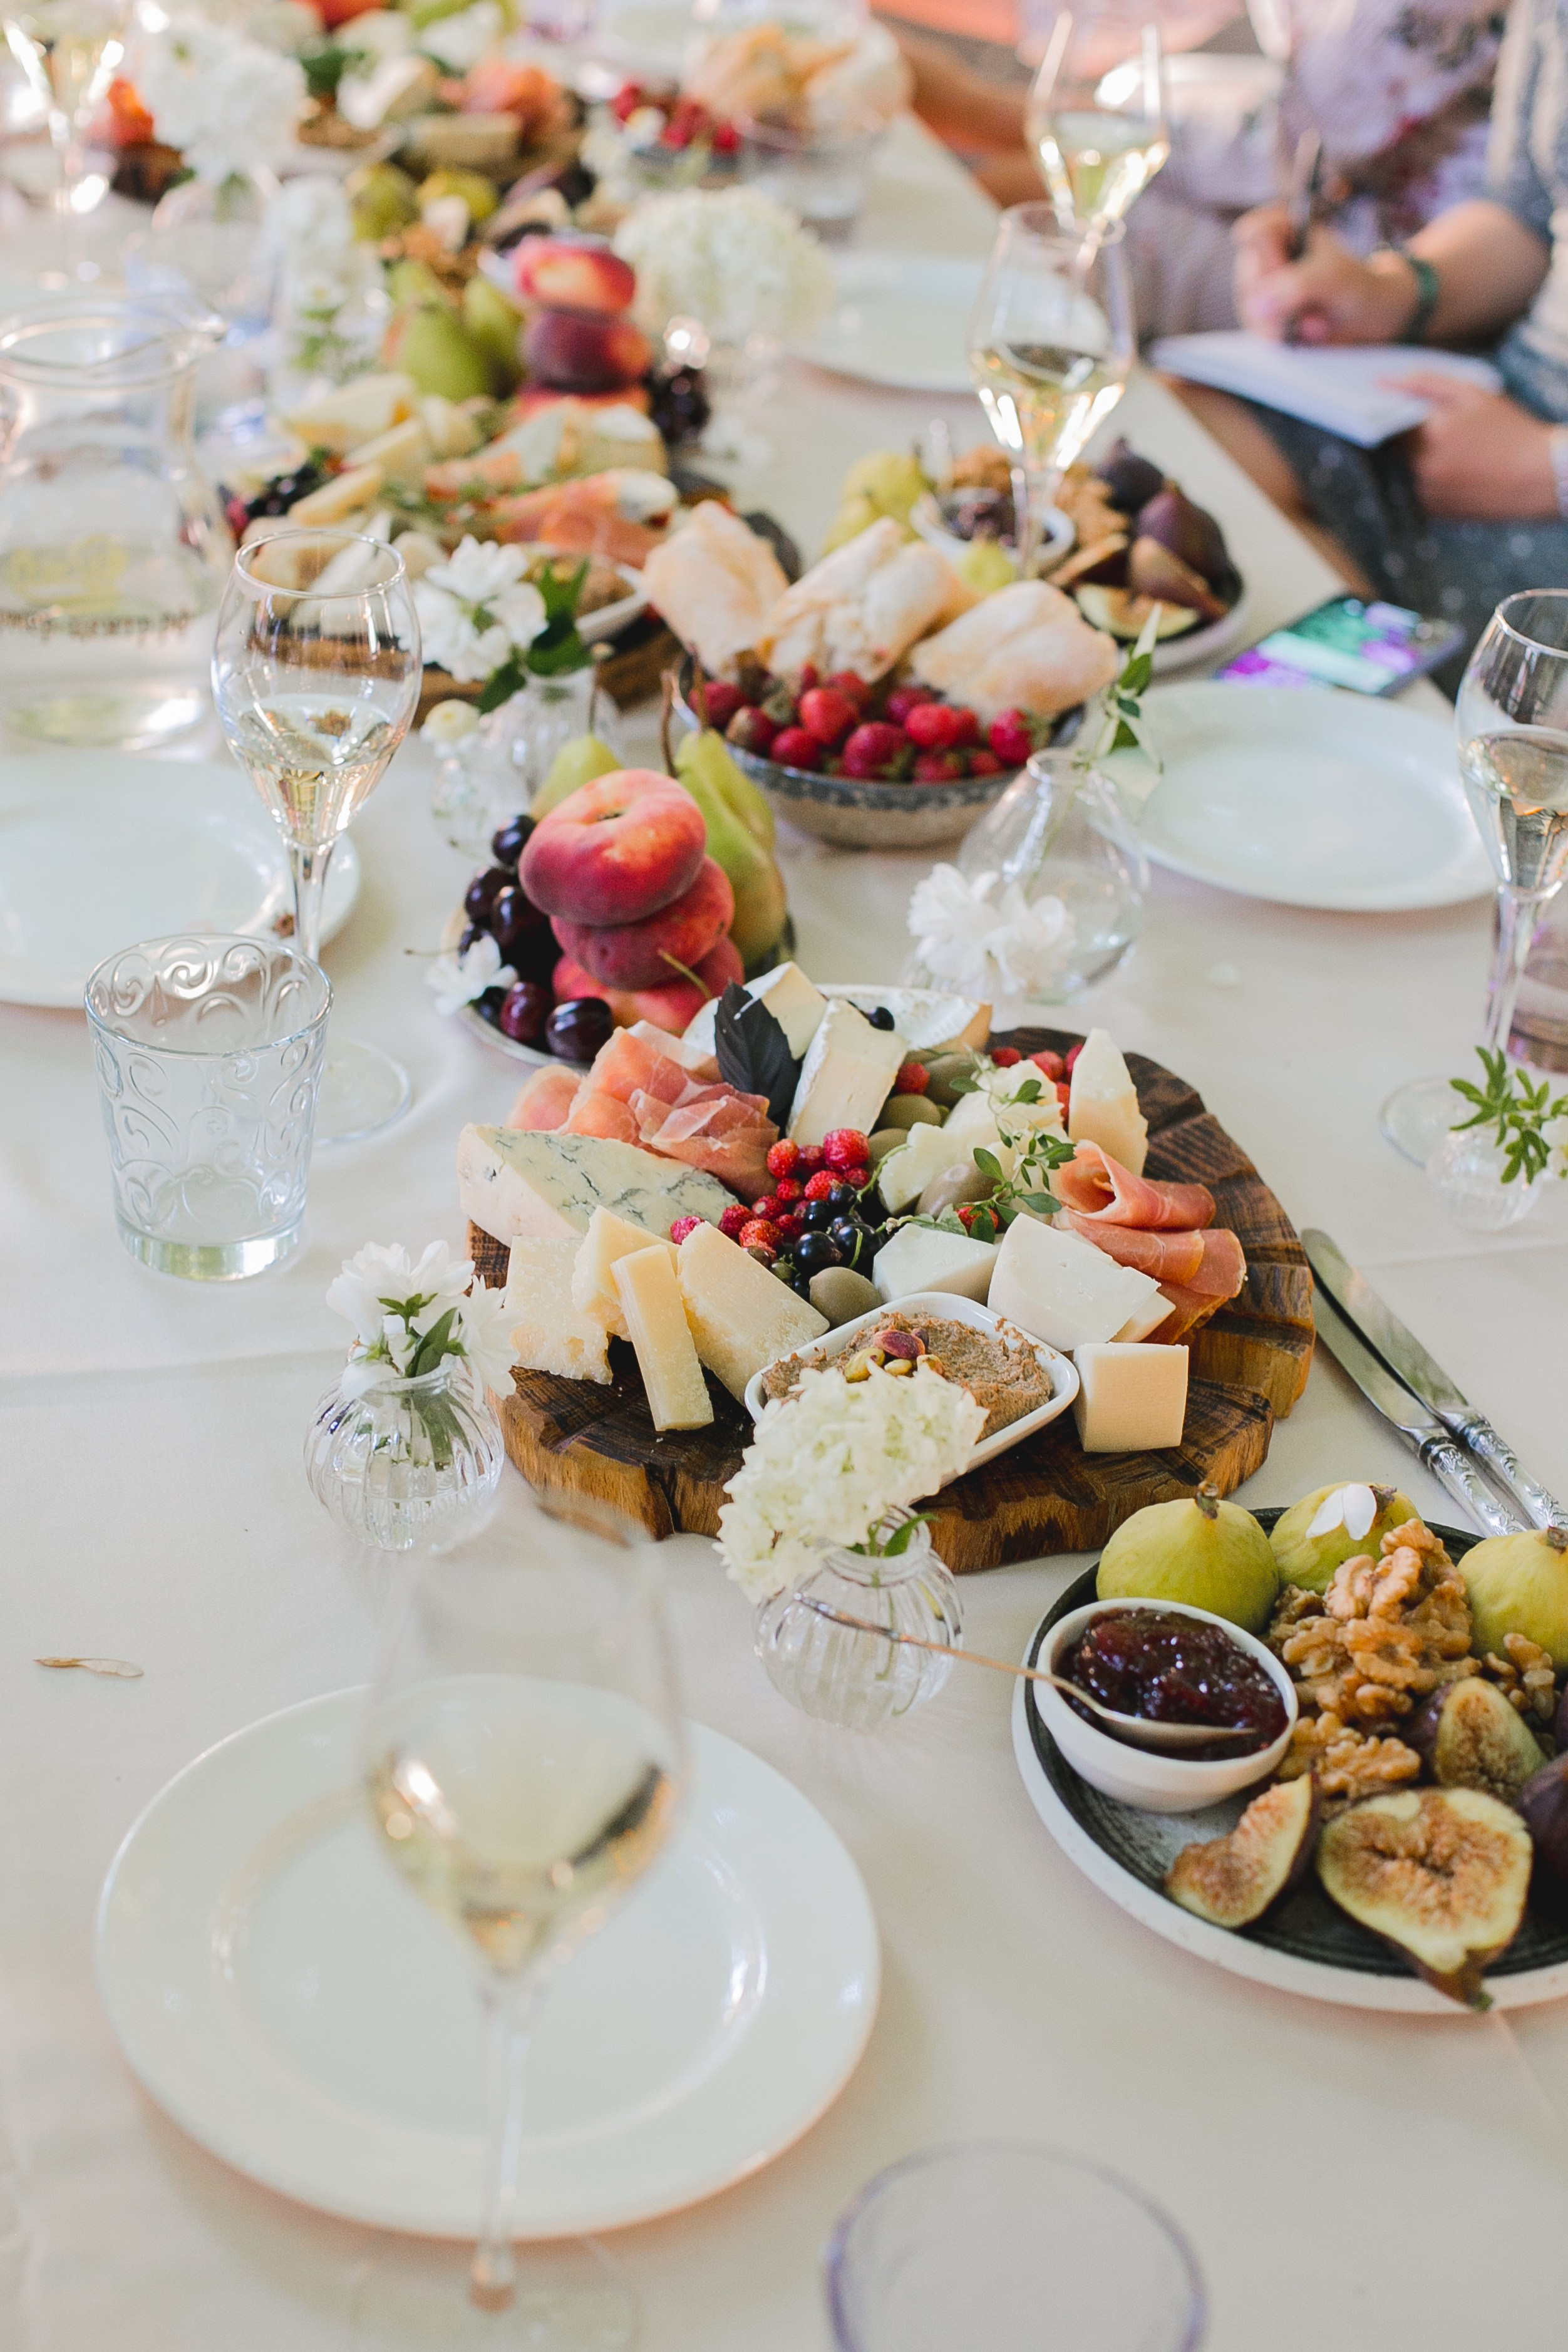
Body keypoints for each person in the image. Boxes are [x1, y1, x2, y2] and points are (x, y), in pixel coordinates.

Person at [1209, 0, 1568, 689]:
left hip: (1543, 482)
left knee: (1269, 620)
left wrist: (1544, 468)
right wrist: (1386, 293)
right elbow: (1525, 217)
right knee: (1196, 444)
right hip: (1506, 396)